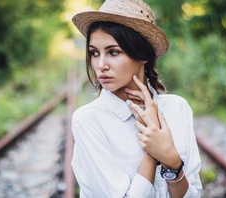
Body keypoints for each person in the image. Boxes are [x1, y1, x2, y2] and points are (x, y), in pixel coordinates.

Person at [71, 0, 202, 197]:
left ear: (142, 54)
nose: (100, 65)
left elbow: (194, 194)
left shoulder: (178, 108)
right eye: (94, 53)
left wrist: (174, 164)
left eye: (113, 52)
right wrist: (153, 149)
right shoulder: (88, 120)